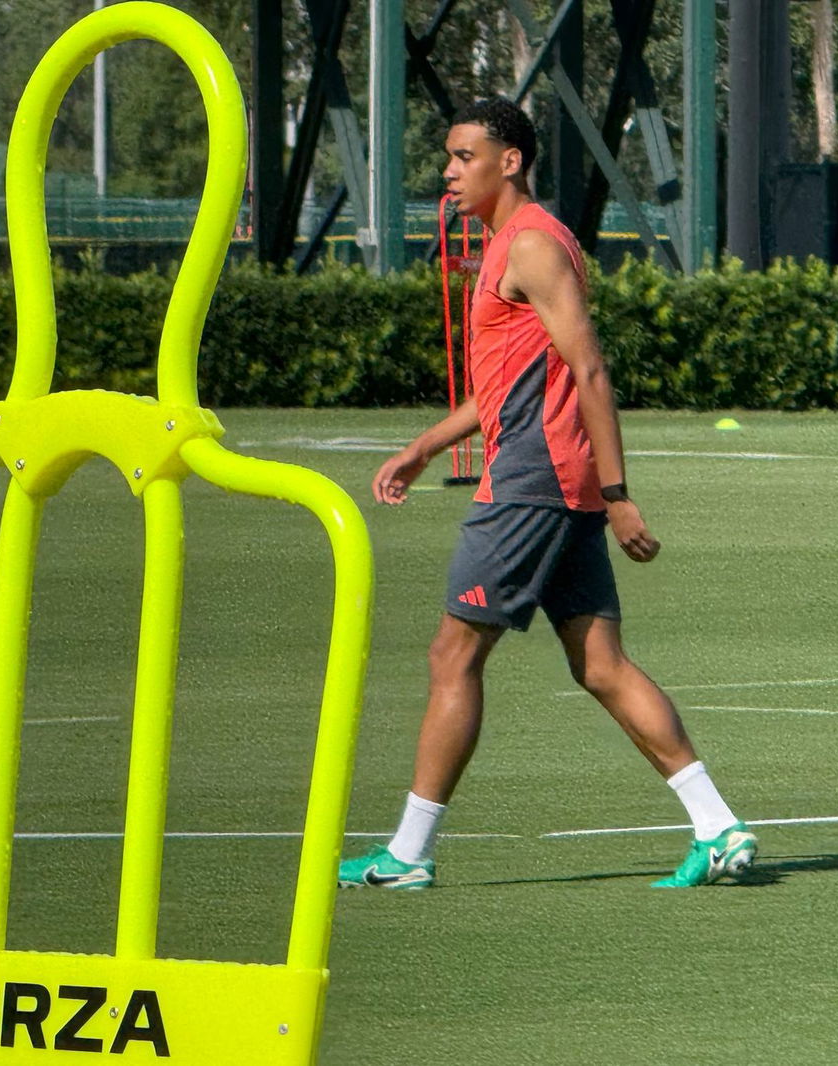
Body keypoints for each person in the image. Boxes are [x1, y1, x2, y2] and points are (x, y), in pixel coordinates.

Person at [337, 97, 754, 890]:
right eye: (449, 157)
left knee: (453, 654)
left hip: (533, 484)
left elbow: (589, 368)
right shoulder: (514, 246)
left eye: (464, 157)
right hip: (555, 482)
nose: (449, 172)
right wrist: (424, 448)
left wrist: (619, 493)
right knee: (601, 665)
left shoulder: (530, 245)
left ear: (511, 162)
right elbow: (504, 387)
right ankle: (718, 826)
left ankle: (409, 854)